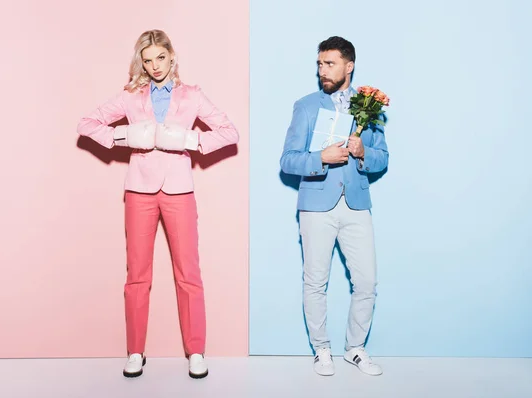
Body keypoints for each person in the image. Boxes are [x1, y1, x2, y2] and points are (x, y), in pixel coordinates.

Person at [77, 29, 239, 379]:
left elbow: (230, 132)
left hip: (180, 191)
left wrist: (189, 139)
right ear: (142, 62)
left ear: (172, 56)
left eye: (160, 58)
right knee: (137, 276)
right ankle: (136, 351)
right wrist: (125, 136)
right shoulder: (130, 97)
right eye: (147, 60)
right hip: (139, 191)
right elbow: (86, 124)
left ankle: (196, 351)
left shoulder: (192, 96)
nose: (155, 66)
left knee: (189, 275)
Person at [279, 36, 388, 376]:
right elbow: (287, 161)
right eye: (319, 64)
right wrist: (320, 158)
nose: (322, 70)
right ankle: (321, 349)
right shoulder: (307, 106)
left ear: (348, 66)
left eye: (329, 64)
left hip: (356, 204)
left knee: (367, 282)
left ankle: (355, 349)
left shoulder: (368, 106)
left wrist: (361, 153)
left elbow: (382, 157)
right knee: (315, 281)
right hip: (316, 205)